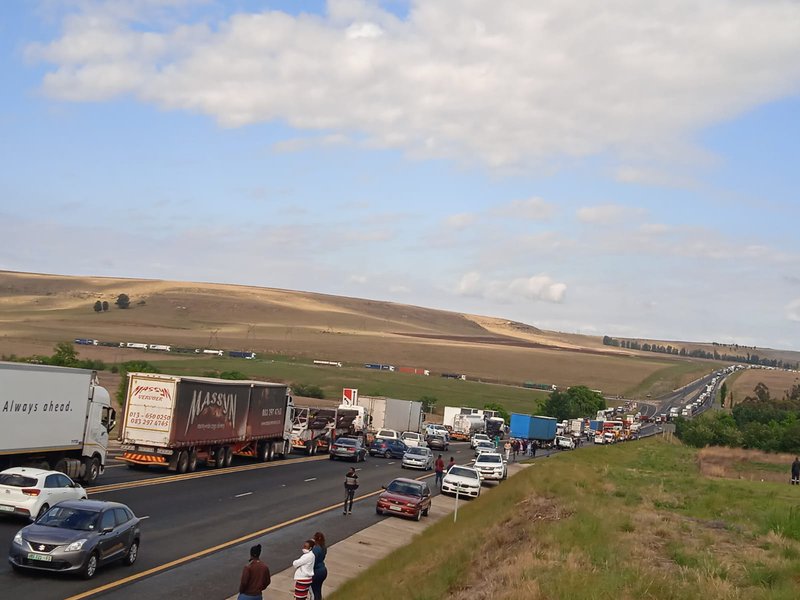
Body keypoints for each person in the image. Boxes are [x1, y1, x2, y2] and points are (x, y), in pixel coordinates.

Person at [311, 531, 328, 600]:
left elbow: (312, 560)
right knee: (318, 590)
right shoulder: (324, 547)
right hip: (323, 570)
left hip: (316, 572)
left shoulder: (316, 549)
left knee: (313, 592)